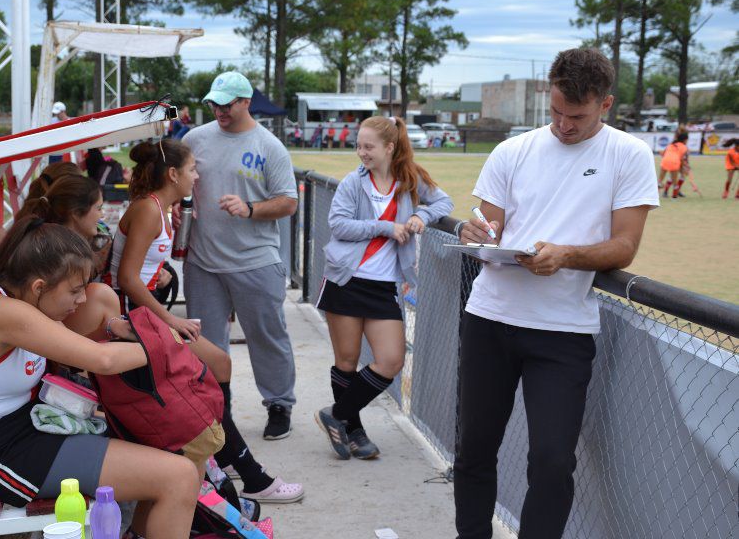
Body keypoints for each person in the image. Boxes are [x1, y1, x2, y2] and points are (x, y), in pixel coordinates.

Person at [453, 47, 659, 539]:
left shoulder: (629, 154)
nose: (565, 125)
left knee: (551, 461)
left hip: (563, 331)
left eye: (579, 117)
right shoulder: (512, 151)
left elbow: (625, 246)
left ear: (605, 105)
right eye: (557, 113)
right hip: (489, 316)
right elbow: (487, 224)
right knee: (475, 448)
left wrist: (565, 254)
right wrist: (475, 232)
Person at [0, 217, 199, 539]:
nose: (82, 300)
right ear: (39, 286)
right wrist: (168, 343)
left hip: (28, 430)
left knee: (166, 448)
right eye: (75, 290)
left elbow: (77, 343)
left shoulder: (13, 301)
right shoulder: (0, 311)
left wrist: (115, 328)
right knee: (178, 476)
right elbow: (104, 360)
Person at [110, 138, 304, 503]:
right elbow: (126, 278)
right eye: (192, 170)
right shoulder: (149, 210)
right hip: (131, 321)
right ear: (172, 174)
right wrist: (172, 320)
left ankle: (224, 452)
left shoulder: (160, 208)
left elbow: (137, 267)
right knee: (205, 379)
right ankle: (252, 477)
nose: (197, 176)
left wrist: (163, 275)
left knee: (220, 363)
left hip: (144, 315)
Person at [315, 116, 452, 460]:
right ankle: (355, 432)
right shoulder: (352, 183)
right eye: (359, 145)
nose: (361, 152)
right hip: (346, 281)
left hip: (383, 287)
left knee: (390, 360)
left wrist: (421, 217)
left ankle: (337, 415)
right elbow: (339, 226)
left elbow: (444, 202)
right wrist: (385, 227)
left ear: (389, 148)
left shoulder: (410, 180)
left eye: (368, 146)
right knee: (346, 362)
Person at [180, 71, 299, 440]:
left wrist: (250, 208)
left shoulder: (269, 146)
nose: (219, 110)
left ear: (246, 102)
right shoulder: (195, 138)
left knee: (267, 336)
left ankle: (279, 404)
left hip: (255, 261)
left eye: (227, 104)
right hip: (203, 262)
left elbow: (289, 202)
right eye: (214, 103)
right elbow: (177, 181)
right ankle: (217, 411)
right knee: (205, 342)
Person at [659, 128, 689, 198]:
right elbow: (682, 158)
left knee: (660, 181)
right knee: (675, 180)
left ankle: (663, 192)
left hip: (665, 161)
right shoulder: (684, 147)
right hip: (675, 162)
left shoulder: (670, 145)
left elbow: (663, 154)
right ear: (685, 140)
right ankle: (674, 195)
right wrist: (685, 166)